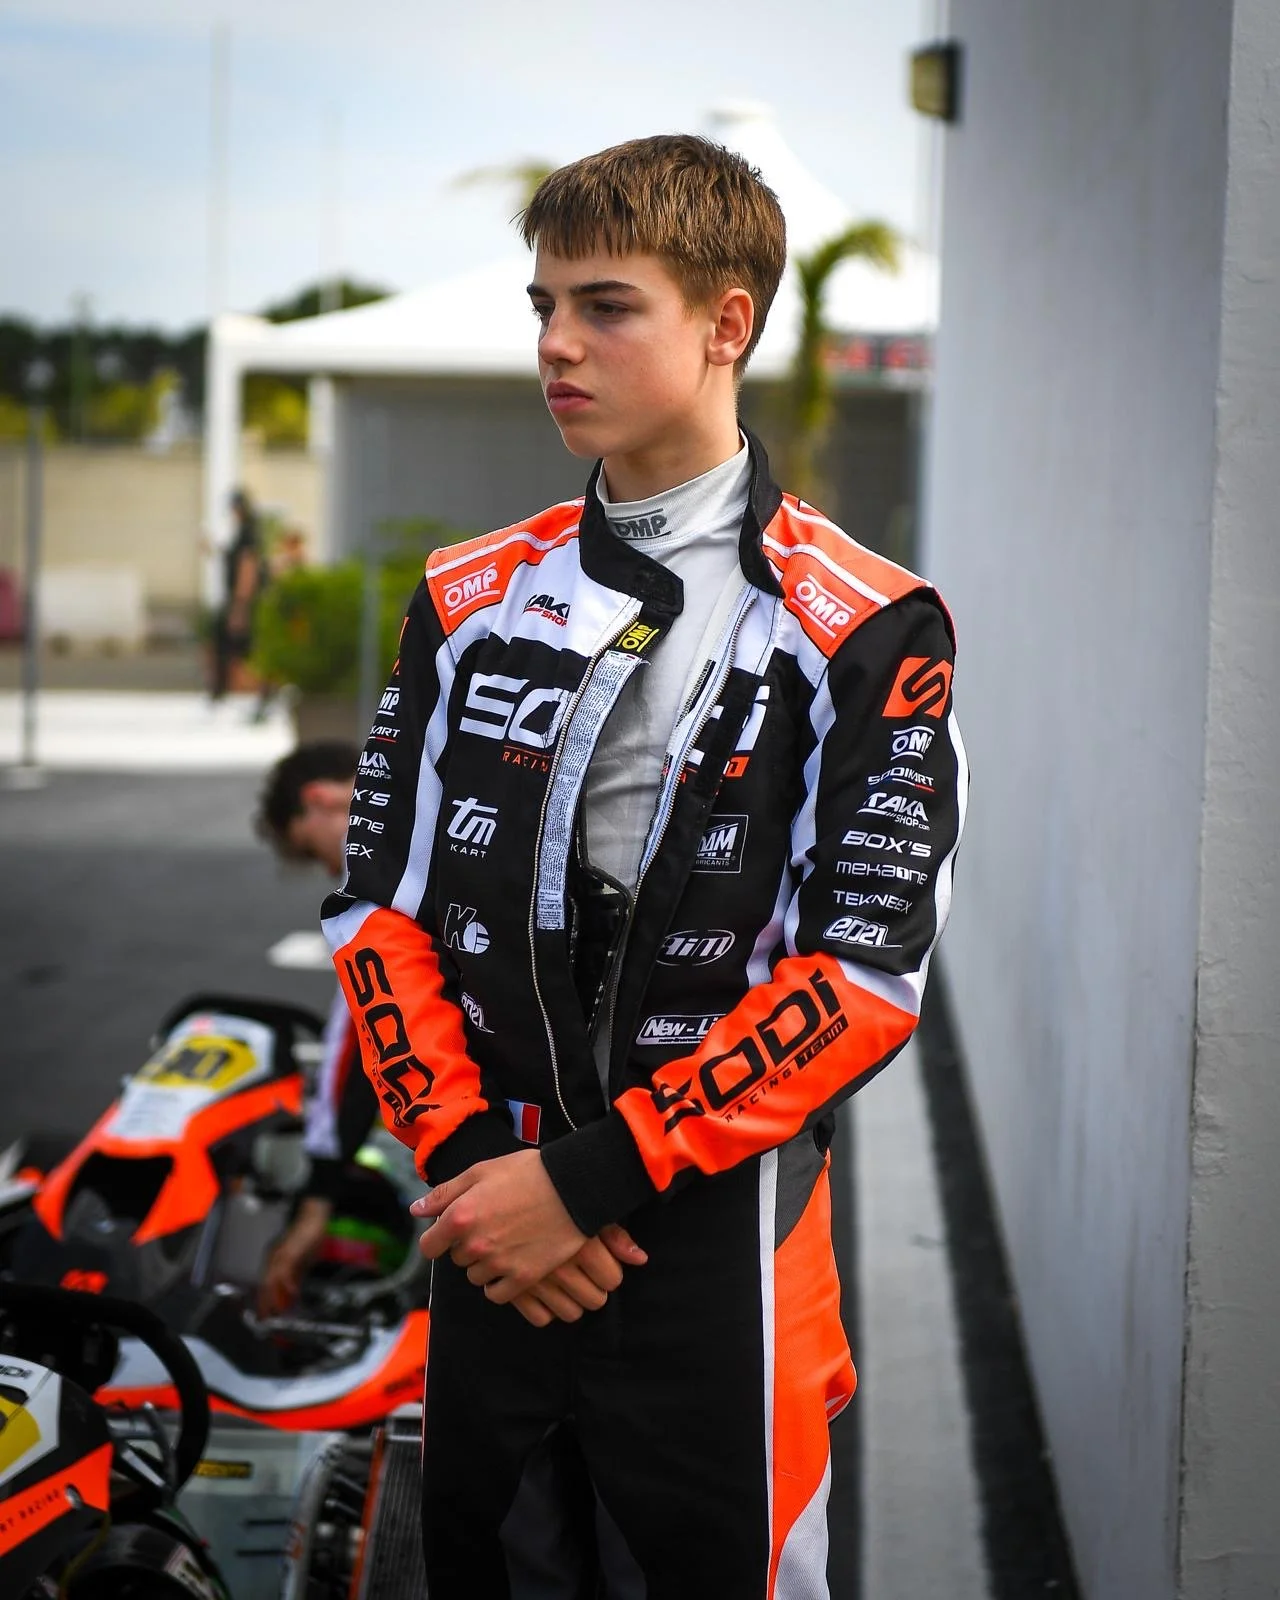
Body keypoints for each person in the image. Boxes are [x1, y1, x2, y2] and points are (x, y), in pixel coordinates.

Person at [322, 134, 966, 1597]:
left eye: (605, 306)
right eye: (541, 304)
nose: (556, 344)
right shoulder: (467, 595)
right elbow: (375, 909)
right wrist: (482, 1168)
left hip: (717, 1238)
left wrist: (593, 1178)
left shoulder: (870, 624)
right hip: (490, 1224)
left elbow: (860, 980)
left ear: (726, 323)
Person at [254, 739, 381, 1317]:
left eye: (318, 853)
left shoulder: (384, 862)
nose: (332, 872)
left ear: (322, 800)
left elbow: (361, 1029)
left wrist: (316, 1202)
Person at [209, 487, 265, 701]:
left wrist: (240, 605)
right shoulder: (243, 531)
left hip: (243, 600)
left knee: (237, 642)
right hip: (240, 599)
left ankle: (237, 689)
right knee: (234, 641)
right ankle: (228, 689)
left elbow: (248, 568)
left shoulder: (248, 533)